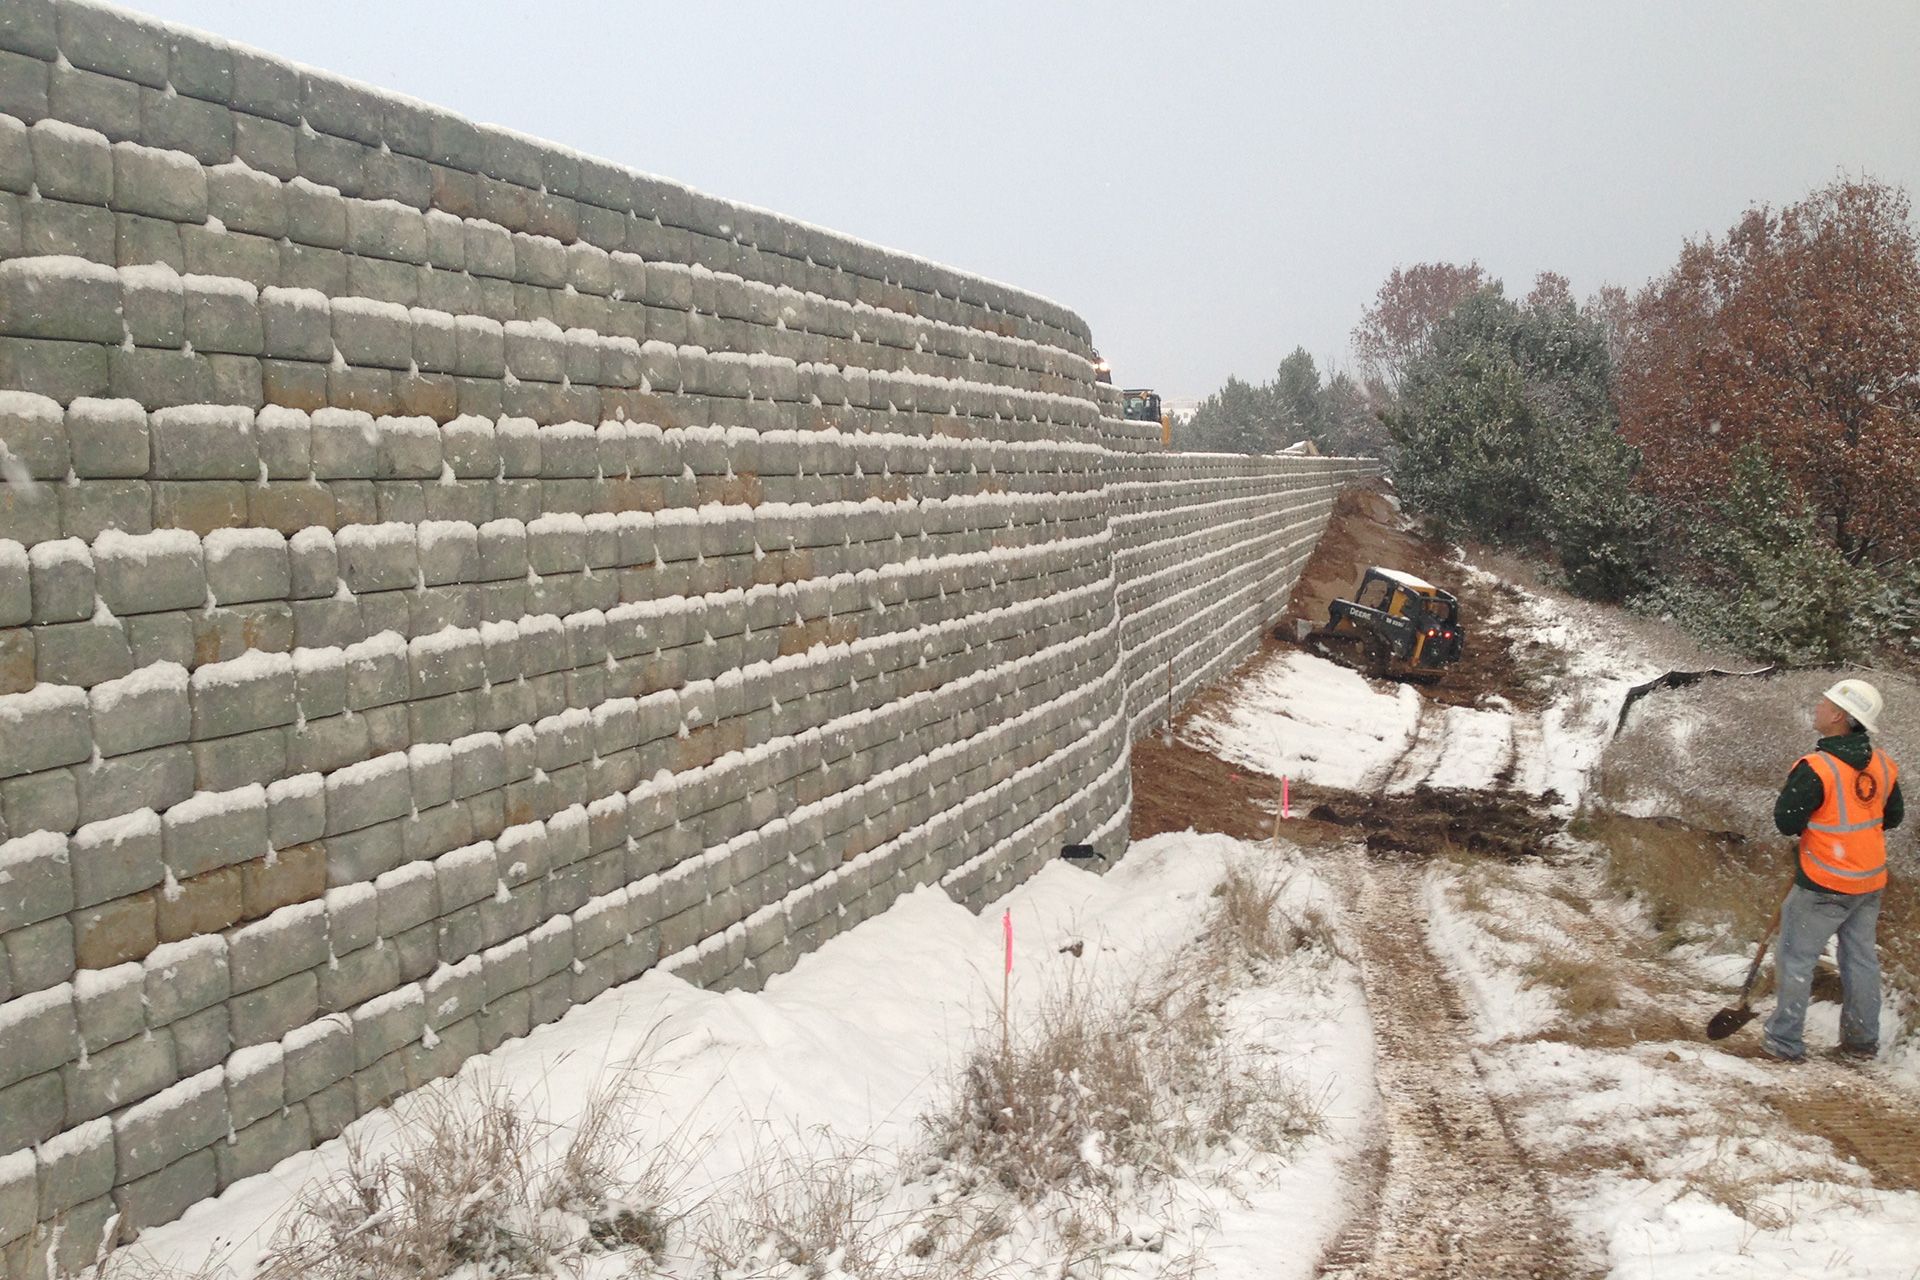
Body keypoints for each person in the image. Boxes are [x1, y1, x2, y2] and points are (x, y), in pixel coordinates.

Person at [1763, 679, 1901, 1062]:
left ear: (1839, 716)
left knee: (1795, 959)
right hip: (1869, 881)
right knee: (1860, 961)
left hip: (1823, 882)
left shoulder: (1817, 768)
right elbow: (1893, 816)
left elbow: (1787, 822)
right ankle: (1860, 1044)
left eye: (1824, 702)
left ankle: (1784, 1042)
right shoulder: (1883, 765)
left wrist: (1821, 834)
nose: (1818, 707)